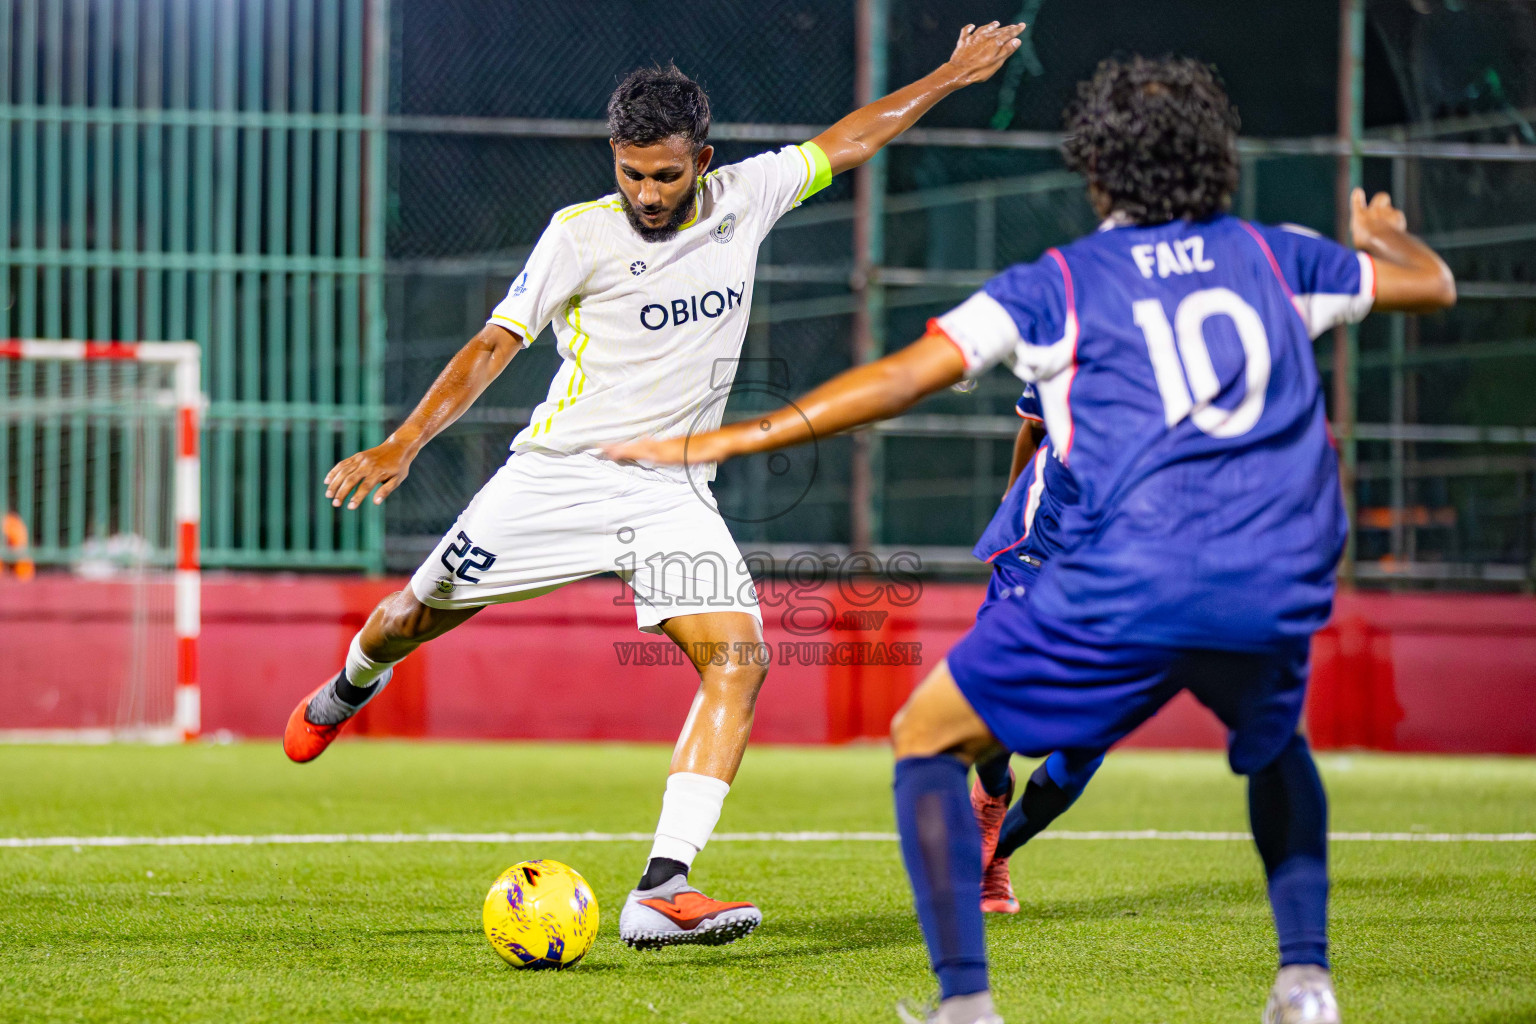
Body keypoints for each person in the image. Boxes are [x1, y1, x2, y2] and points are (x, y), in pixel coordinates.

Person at [606, 55, 1455, 1021]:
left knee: (927, 735)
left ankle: (966, 1004)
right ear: (1217, 159)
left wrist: (737, 435)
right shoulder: (1280, 255)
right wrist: (1384, 236)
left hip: (1125, 577)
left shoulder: (1060, 284)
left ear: (1096, 169)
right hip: (1271, 577)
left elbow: (902, 377)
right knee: (1276, 746)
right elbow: (1431, 285)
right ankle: (1305, 982)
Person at [282, 23, 1028, 951]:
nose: (646, 193)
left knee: (741, 658)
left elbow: (852, 138)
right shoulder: (580, 234)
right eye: (631, 173)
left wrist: (950, 74)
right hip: (557, 478)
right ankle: (347, 689)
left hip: (669, 491)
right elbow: (493, 344)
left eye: (666, 176)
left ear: (701, 161)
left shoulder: (747, 196)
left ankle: (662, 887)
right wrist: (405, 440)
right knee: (408, 618)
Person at [966, 387, 1104, 916]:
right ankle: (991, 797)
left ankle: (997, 853)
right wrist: (1011, 498)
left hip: (1116, 579)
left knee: (1087, 745)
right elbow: (1034, 426)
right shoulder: (1077, 351)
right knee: (991, 694)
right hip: (1035, 557)